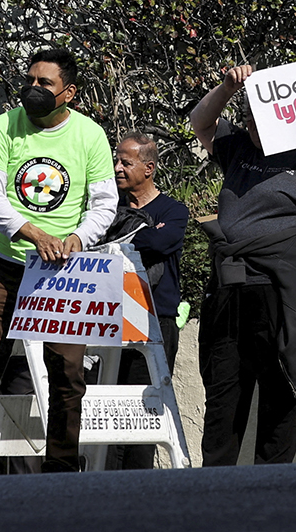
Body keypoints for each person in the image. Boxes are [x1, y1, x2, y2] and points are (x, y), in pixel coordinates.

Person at [0, 48, 118, 476]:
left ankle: (61, 470)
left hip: (63, 274)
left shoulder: (91, 135)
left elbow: (104, 203)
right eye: (31, 80)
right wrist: (37, 235)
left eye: (45, 83)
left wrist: (76, 239)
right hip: (4, 269)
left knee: (68, 376)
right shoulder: (0, 128)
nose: (34, 89)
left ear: (69, 92)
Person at [189, 64, 296, 466]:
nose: (251, 123)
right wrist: (227, 86)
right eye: (248, 116)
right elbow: (200, 123)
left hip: (282, 295)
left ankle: (273, 499)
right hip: (231, 291)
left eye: (259, 117)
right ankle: (212, 500)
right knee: (223, 402)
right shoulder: (239, 149)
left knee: (282, 397)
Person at [109, 131, 189, 470]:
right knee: (108, 414)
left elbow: (158, 245)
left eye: (126, 162)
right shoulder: (107, 209)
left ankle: (138, 493)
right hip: (109, 322)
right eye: (116, 161)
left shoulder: (173, 210)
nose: (117, 168)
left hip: (155, 321)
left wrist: (121, 238)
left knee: (143, 413)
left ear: (149, 168)